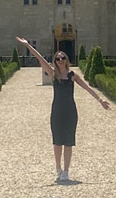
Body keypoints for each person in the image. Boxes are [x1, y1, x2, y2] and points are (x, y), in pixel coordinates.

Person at [15, 36, 110, 183]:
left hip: (70, 111)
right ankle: (58, 168)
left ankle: (66, 171)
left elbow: (87, 87)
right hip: (57, 111)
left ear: (66, 60)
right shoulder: (53, 74)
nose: (60, 60)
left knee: (69, 142)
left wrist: (100, 100)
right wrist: (28, 45)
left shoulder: (72, 76)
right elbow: (40, 58)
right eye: (58, 59)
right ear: (55, 61)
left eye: (63, 58)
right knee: (57, 142)